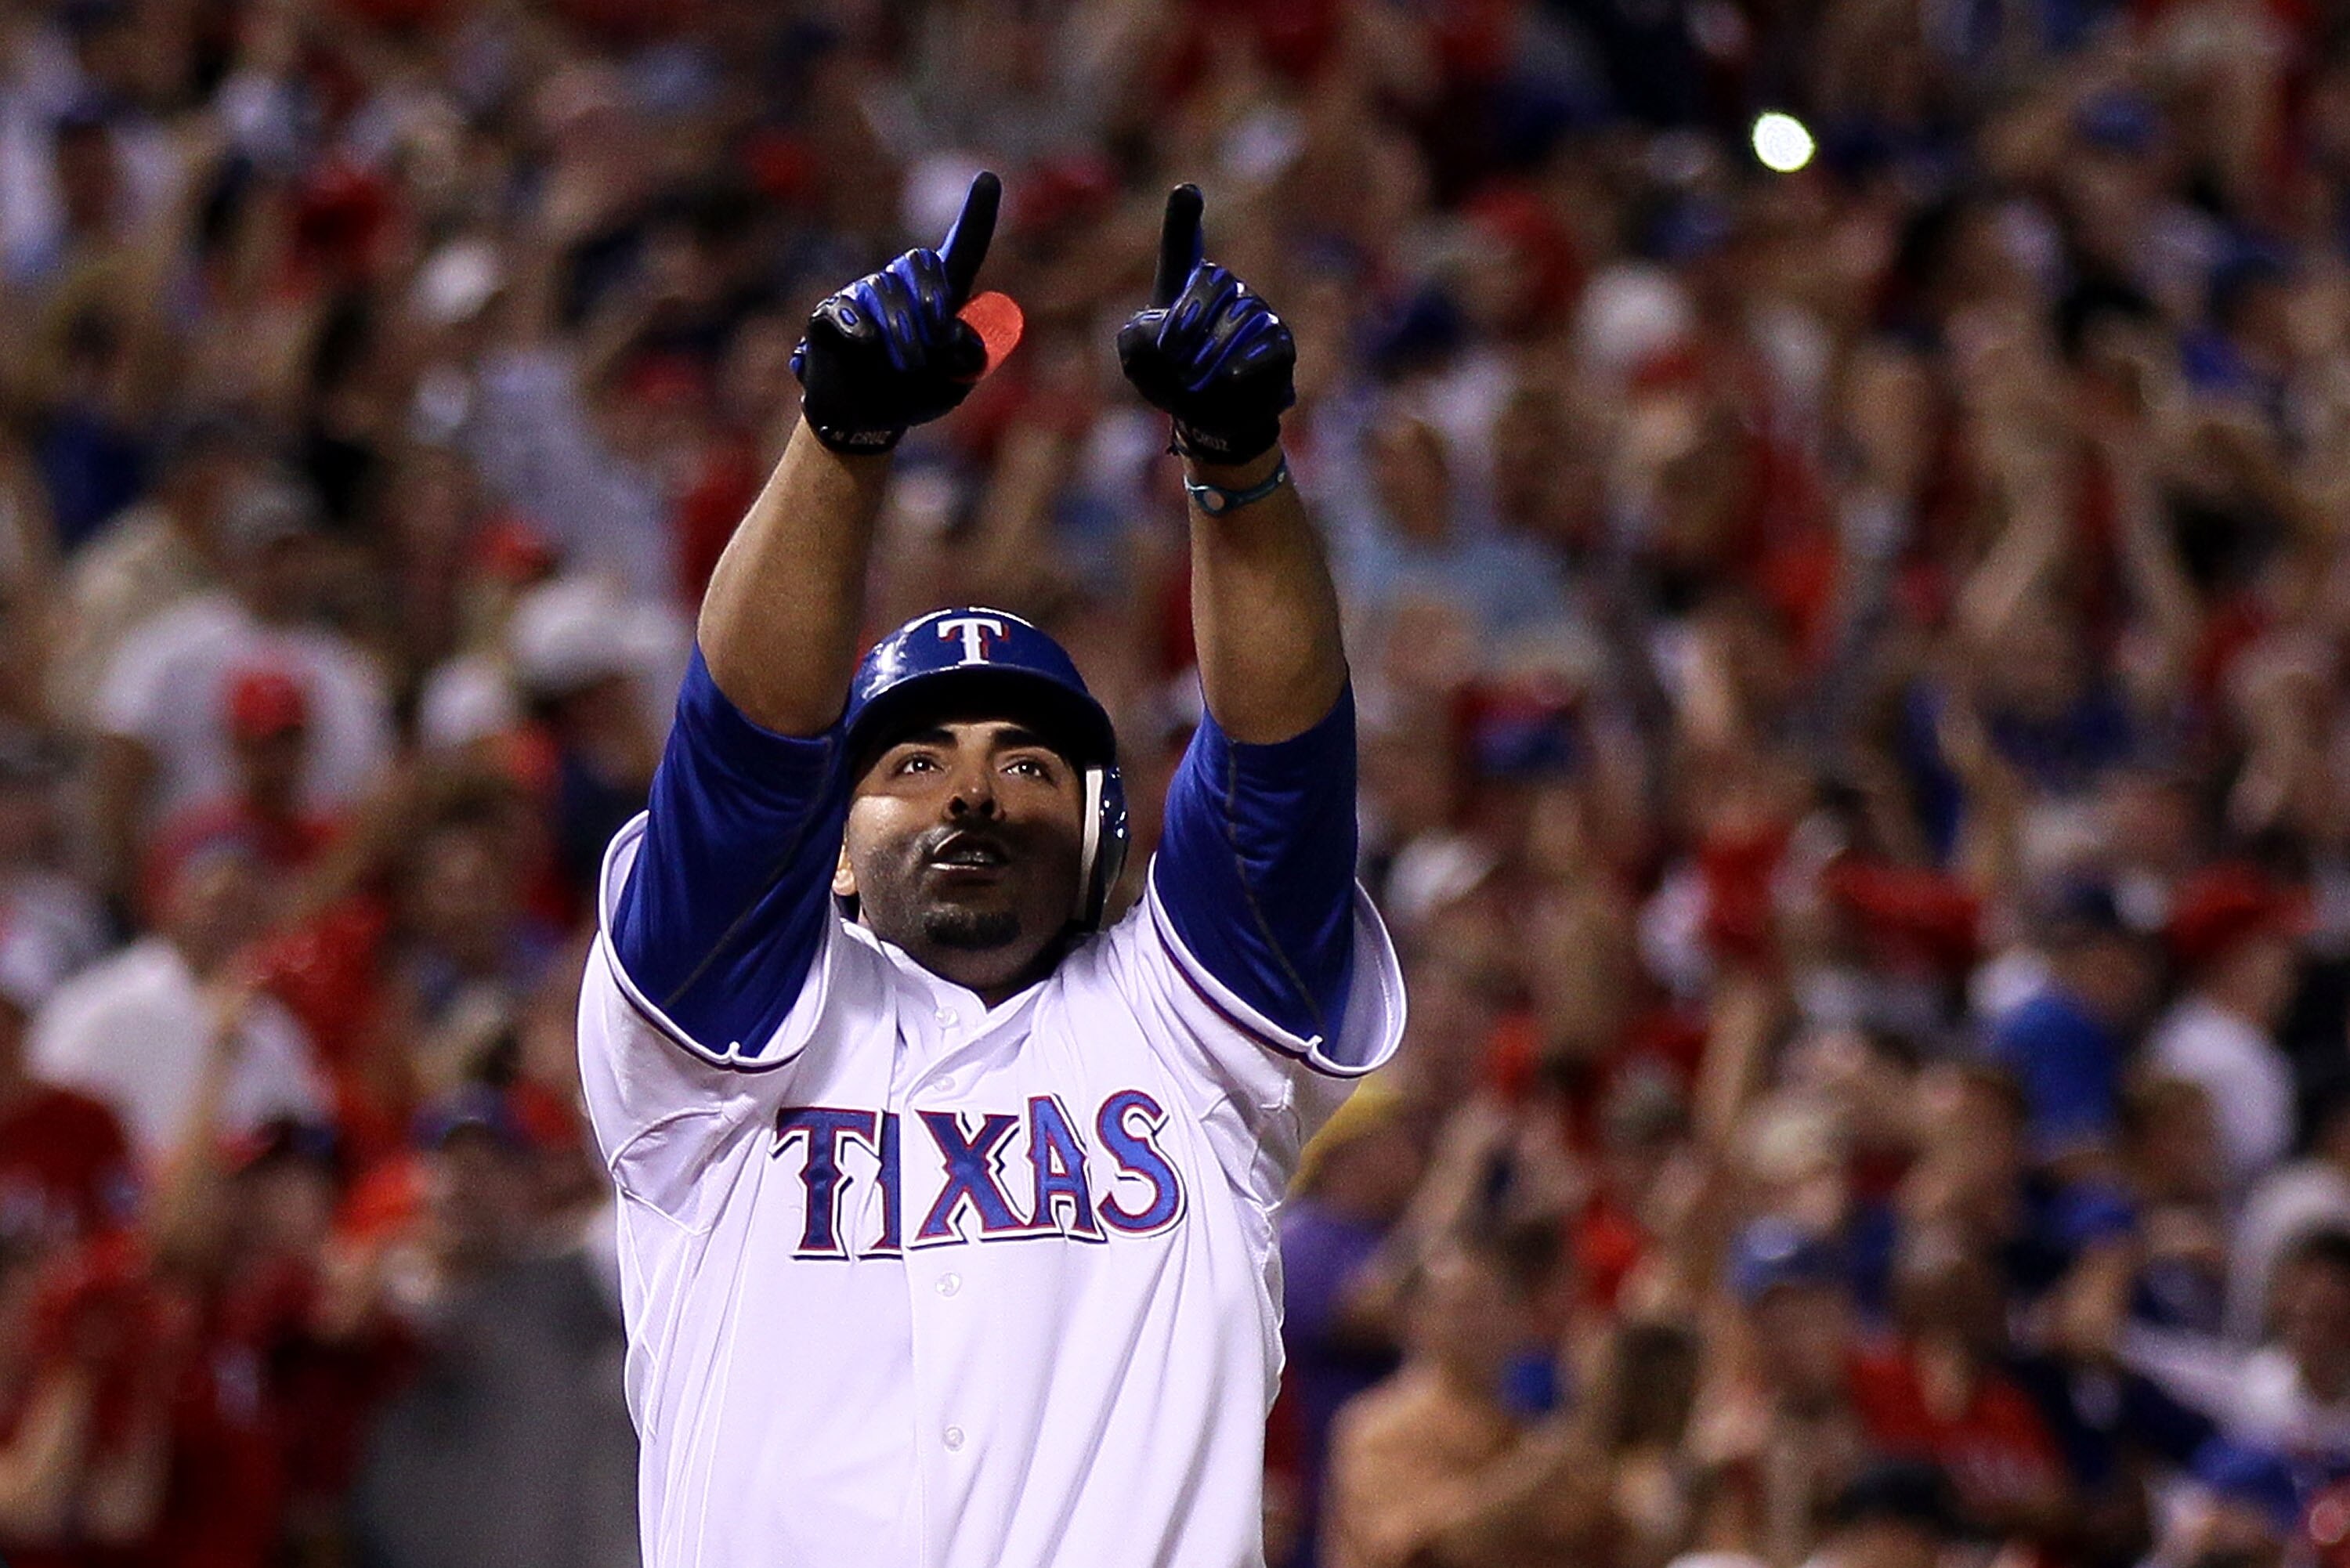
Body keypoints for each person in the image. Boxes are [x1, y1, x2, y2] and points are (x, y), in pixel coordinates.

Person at [575, 175, 1405, 1568]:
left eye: (1028, 763)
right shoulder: (710, 1049)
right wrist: (836, 446)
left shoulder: (1191, 1032)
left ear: (1104, 835)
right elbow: (742, 754)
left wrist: (1238, 465)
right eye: (909, 764)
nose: (969, 788)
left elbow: (1282, 761)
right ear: (830, 847)